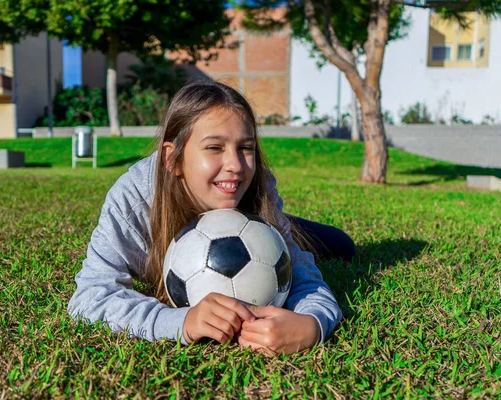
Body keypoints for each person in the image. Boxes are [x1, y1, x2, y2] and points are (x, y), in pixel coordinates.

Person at [68, 80, 349, 356]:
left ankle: (286, 225)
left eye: (245, 147)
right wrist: (180, 322)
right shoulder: (134, 199)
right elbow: (90, 297)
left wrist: (313, 325)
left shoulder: (259, 186)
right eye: (215, 148)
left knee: (342, 245)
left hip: (248, 221)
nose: (236, 166)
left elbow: (305, 279)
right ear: (172, 158)